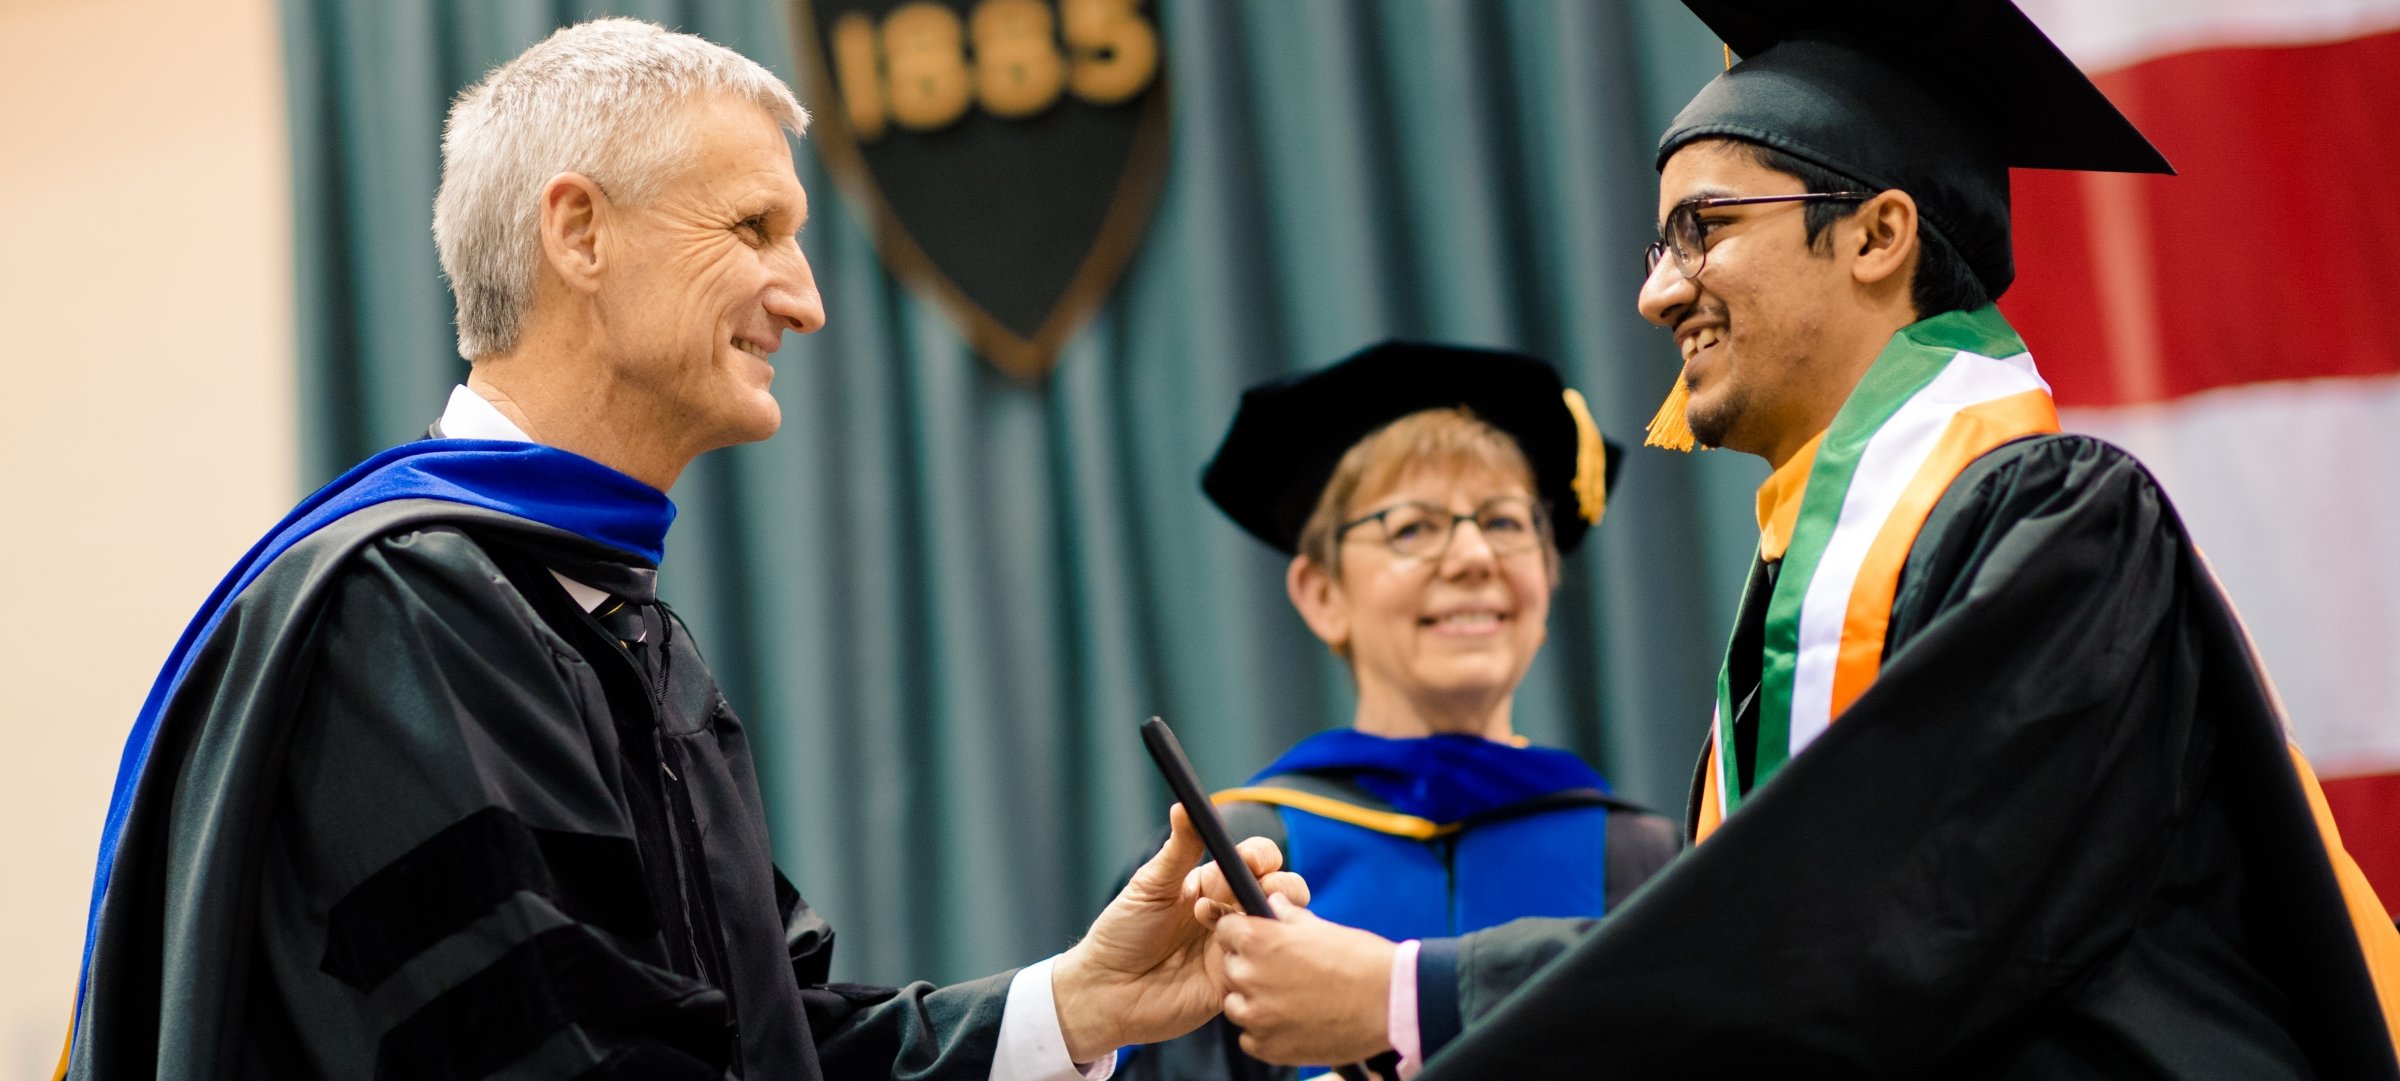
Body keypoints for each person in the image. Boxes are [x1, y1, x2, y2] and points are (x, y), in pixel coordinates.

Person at [60, 19, 1298, 1081]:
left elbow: (770, 1046)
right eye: (756, 225)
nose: (806, 297)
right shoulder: (409, 613)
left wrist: (1079, 1005)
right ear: (580, 233)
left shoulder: (605, 619)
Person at [1205, 1, 2400, 1077]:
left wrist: (1412, 995)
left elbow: (1889, 917)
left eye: (1704, 229)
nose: (1658, 294)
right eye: (1658, 246)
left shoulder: (2058, 527)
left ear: (1878, 235)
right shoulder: (1812, 586)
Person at [1119, 343, 1679, 1081]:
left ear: (1545, 576)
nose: (1475, 554)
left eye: (1507, 522)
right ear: (1322, 593)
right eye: (1413, 527)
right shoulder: (1235, 860)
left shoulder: (1644, 858)